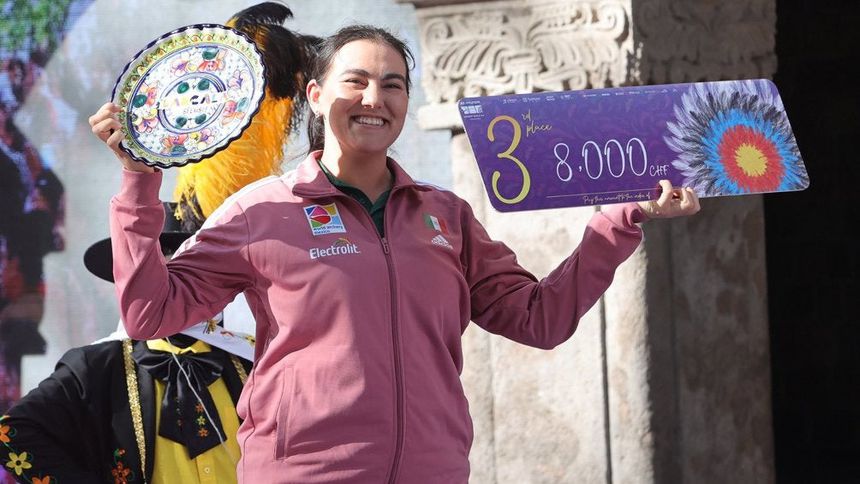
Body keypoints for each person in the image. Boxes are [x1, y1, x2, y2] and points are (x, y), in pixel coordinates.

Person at [87, 24, 700, 483]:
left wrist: (621, 220)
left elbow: (540, 319)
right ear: (316, 94)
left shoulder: (446, 216)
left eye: (393, 84)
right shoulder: (260, 211)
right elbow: (149, 313)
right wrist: (139, 183)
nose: (374, 98)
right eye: (355, 81)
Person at [0, 202, 254, 484]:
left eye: (188, 275)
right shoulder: (97, 366)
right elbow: (11, 434)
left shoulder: (252, 359)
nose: (171, 289)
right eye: (153, 278)